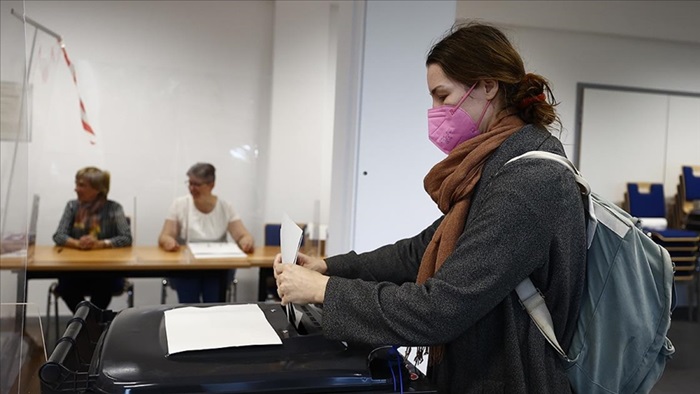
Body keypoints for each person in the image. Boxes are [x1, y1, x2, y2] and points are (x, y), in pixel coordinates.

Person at [274, 21, 586, 393]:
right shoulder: (496, 162)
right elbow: (421, 250)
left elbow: (441, 309)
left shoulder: (529, 179)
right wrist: (328, 267)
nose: (435, 112)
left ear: (488, 86)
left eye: (443, 96)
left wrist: (325, 290)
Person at [158, 162, 254, 303]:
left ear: (211, 185)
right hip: (187, 268)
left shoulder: (225, 207)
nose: (191, 188)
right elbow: (165, 235)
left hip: (217, 267)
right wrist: (168, 241)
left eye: (197, 184)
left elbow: (243, 235)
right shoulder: (180, 204)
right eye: (190, 183)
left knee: (214, 306)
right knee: (189, 308)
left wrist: (246, 241)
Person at [53, 166, 132, 313]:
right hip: (75, 269)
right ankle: (91, 325)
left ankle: (86, 325)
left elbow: (126, 238)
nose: (76, 189)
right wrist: (78, 243)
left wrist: (100, 244)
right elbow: (58, 235)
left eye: (81, 185)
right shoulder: (72, 206)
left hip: (105, 270)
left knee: (104, 285)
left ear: (97, 189)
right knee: (65, 286)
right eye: (76, 184)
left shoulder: (114, 208)